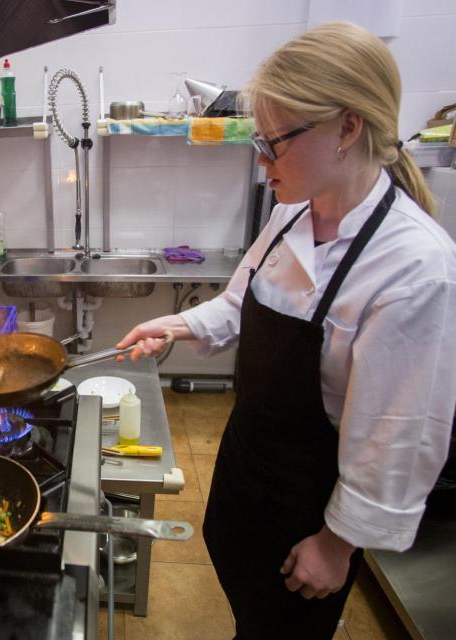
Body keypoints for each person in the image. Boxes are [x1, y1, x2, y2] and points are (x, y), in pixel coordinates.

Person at [117, 21, 456, 640]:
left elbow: (397, 437)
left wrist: (338, 543)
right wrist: (173, 327)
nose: (261, 158)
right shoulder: (290, 213)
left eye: (275, 142)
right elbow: (239, 303)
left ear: (348, 128)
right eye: (259, 140)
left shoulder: (413, 266)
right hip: (248, 464)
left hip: (311, 503)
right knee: (250, 606)